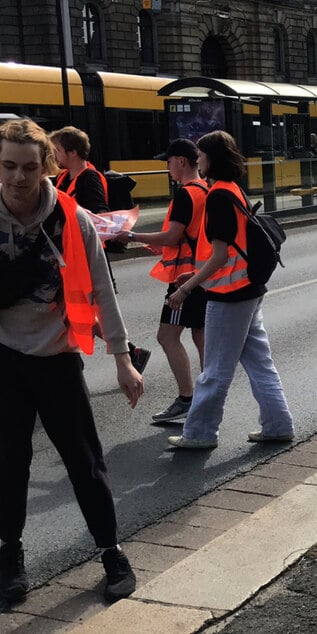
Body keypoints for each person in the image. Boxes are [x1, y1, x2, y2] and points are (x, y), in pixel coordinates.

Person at [0, 118, 141, 605]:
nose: (17, 177)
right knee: (7, 464)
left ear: (47, 167)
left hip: (57, 358)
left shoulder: (71, 217)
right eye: (8, 166)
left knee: (86, 463)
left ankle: (111, 552)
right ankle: (9, 556)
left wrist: (122, 359)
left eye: (28, 167)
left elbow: (102, 288)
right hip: (4, 360)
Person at [165, 130, 294, 450]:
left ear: (212, 159)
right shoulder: (234, 189)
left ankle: (199, 433)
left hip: (229, 294)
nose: (199, 160)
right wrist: (196, 274)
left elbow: (221, 255)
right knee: (260, 363)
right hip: (248, 289)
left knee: (215, 371)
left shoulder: (218, 196)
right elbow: (233, 249)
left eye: (202, 156)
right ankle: (278, 425)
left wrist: (188, 287)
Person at [114, 139, 208, 424]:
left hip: (184, 279)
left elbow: (171, 236)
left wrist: (131, 236)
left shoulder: (185, 194)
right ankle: (207, 398)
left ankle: (187, 398)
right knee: (201, 335)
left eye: (168, 162)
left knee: (167, 336)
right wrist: (165, 245)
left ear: (181, 161)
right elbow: (188, 236)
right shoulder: (207, 189)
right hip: (203, 273)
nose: (167, 167)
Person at [49, 126, 151, 374]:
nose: (54, 156)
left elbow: (100, 215)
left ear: (72, 152)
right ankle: (130, 350)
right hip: (69, 255)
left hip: (86, 256)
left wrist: (77, 219)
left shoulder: (89, 178)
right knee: (79, 311)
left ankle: (82, 360)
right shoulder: (65, 178)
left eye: (57, 150)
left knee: (87, 310)